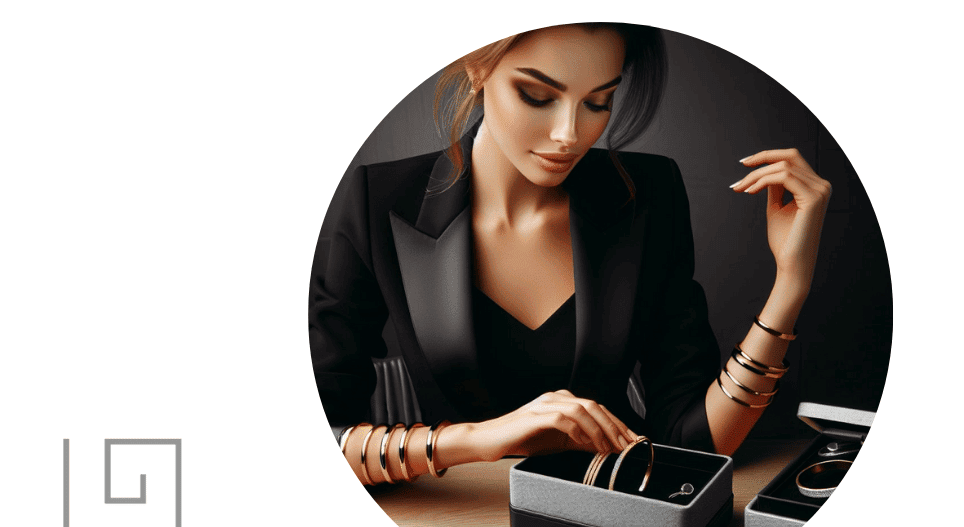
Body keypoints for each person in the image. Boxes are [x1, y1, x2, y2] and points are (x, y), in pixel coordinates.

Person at [309, 23, 831, 485]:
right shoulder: (377, 201)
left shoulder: (648, 195)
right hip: (462, 515)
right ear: (476, 65)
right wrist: (484, 439)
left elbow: (694, 443)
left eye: (598, 102)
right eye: (537, 95)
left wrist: (789, 284)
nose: (570, 135)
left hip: (617, 505)